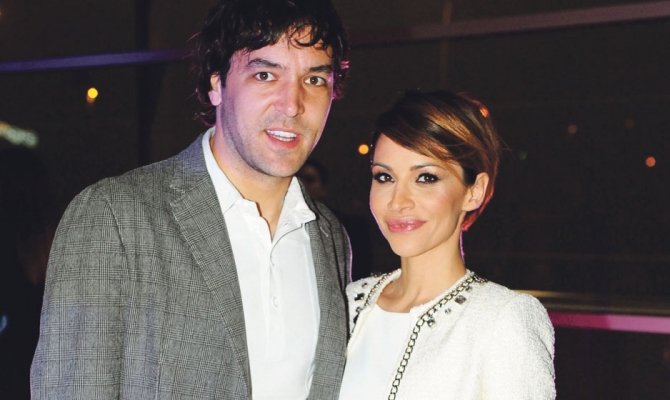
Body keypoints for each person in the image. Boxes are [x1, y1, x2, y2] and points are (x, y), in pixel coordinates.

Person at [30, 0, 351, 398]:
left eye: (314, 79)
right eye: (265, 74)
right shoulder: (114, 217)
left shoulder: (329, 237)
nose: (292, 104)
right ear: (216, 83)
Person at [339, 90, 555, 399]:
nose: (398, 202)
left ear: (474, 191)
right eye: (385, 177)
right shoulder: (348, 302)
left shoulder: (501, 318)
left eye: (426, 178)